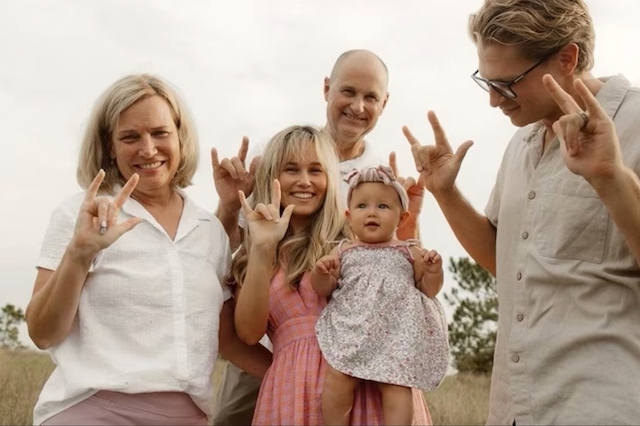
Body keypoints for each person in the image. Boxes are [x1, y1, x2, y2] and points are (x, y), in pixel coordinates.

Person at [403, 0, 640, 424]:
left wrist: (611, 179)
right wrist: (446, 193)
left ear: (567, 58)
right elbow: (503, 260)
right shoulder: (521, 144)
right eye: (486, 82)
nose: (494, 100)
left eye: (508, 84)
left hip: (602, 407)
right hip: (514, 408)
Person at [25, 74, 271, 425]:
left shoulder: (209, 231)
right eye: (130, 137)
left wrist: (302, 373)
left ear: (180, 137)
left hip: (187, 415)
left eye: (160, 133)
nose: (148, 149)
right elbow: (42, 333)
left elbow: (226, 339)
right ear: (110, 146)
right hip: (91, 409)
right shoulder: (81, 213)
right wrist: (79, 254)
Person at [212, 49, 431, 425]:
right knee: (230, 415)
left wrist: (409, 227)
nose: (358, 107)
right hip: (280, 361)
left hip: (357, 377)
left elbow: (403, 282)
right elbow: (238, 316)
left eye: (316, 170)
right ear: (327, 89)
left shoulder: (365, 204)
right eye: (348, 92)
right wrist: (232, 207)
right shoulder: (272, 159)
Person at [311, 165, 449, 425]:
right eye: (362, 206)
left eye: (383, 207)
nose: (372, 212)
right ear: (349, 216)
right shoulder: (343, 250)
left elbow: (428, 290)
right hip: (353, 328)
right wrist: (322, 273)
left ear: (402, 218)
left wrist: (433, 271)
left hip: (395, 334)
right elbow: (324, 289)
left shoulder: (409, 251)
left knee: (397, 386)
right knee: (338, 377)